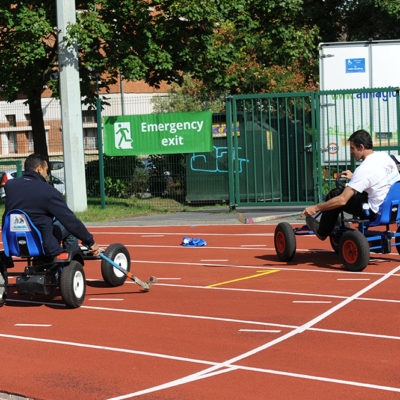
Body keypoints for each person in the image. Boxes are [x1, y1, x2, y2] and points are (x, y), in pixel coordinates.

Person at [301, 129, 400, 240]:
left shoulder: (364, 168)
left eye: (352, 148)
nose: (351, 152)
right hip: (392, 208)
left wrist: (316, 207)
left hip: (374, 212)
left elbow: (342, 200)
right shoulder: (384, 157)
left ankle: (322, 231)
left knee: (335, 194)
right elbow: (378, 179)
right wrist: (354, 178)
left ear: (361, 147)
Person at [2, 153, 100, 257]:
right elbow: (69, 220)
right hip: (42, 243)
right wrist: (90, 241)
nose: (47, 174)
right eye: (46, 170)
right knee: (67, 226)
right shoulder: (48, 191)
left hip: (14, 241)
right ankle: (74, 260)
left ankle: (39, 263)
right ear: (39, 169)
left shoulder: (10, 186)